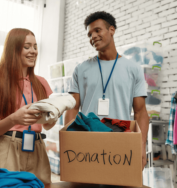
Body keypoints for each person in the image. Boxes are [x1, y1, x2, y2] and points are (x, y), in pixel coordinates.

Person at [64, 11, 149, 170]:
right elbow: (73, 108)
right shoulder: (81, 69)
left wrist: (141, 146)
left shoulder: (133, 69)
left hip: (120, 142)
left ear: (112, 30)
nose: (93, 36)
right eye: (89, 34)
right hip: (87, 141)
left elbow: (141, 112)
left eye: (97, 30)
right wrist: (68, 143)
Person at [0, 28, 55, 184]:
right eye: (27, 46)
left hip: (37, 149)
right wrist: (13, 119)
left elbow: (48, 126)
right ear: (14, 49)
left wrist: (54, 115)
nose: (33, 51)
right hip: (7, 148)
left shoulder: (42, 83)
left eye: (35, 46)